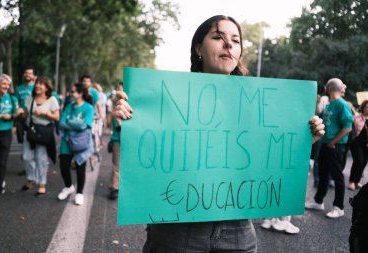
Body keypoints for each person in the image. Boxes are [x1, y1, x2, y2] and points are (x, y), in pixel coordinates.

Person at [113, 15, 325, 252]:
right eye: (218, 37)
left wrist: (304, 140)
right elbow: (150, 156)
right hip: (177, 232)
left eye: (235, 40)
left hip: (238, 234)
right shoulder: (166, 98)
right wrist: (130, 119)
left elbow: (269, 159)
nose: (228, 44)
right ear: (198, 49)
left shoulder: (261, 106)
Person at [305, 78, 353, 218]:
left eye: (326, 86)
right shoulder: (329, 104)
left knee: (337, 177)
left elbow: (347, 128)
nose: (325, 88)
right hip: (325, 145)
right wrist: (316, 103)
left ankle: (339, 207)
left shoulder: (342, 105)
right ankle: (318, 201)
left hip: (335, 147)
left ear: (330, 88)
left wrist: (333, 142)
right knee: (323, 174)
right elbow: (317, 118)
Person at [18, 77, 60, 196]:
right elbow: (26, 113)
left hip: (43, 132)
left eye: (41, 84)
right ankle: (31, 178)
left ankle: (42, 184)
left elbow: (56, 117)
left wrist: (45, 113)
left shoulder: (52, 99)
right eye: (37, 84)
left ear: (47, 87)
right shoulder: (30, 98)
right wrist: (21, 112)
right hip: (30, 131)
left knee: (41, 158)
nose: (37, 86)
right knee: (26, 157)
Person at [57, 83, 94, 205]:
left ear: (80, 93)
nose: (71, 94)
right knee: (63, 166)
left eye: (73, 92)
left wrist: (69, 120)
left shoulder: (88, 108)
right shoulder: (69, 106)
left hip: (81, 141)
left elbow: (85, 125)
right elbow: (61, 123)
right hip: (66, 141)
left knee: (80, 169)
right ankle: (68, 187)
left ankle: (79, 193)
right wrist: (76, 123)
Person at [0, 74, 18, 202]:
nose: (6, 87)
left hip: (5, 133)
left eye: (8, 84)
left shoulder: (12, 98)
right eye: (4, 84)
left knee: (1, 162)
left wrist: (10, 117)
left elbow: (17, 113)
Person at [108, 83, 123, 200]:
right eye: (118, 89)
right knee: (117, 166)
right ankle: (114, 187)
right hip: (118, 139)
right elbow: (116, 125)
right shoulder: (116, 105)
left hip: (131, 140)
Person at [348, 100, 368, 190]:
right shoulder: (356, 117)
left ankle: (357, 180)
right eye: (367, 107)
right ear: (363, 108)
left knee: (364, 163)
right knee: (359, 161)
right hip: (357, 143)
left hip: (366, 145)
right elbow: (351, 130)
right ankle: (352, 181)